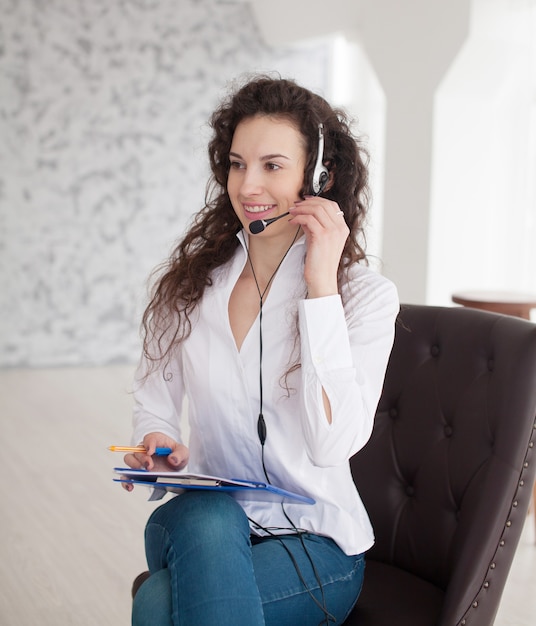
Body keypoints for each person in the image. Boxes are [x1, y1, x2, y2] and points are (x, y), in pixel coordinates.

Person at [124, 74, 399, 626]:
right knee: (208, 515)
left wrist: (320, 285)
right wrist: (155, 439)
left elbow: (331, 445)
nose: (247, 186)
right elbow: (153, 400)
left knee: (157, 607)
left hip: (316, 545)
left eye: (272, 166)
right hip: (201, 517)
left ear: (319, 176)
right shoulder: (190, 285)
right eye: (236, 163)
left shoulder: (364, 298)